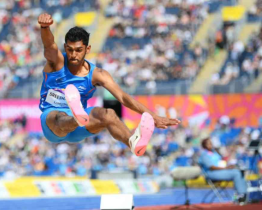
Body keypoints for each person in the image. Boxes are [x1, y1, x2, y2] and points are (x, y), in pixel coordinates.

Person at [38, 13, 180, 156]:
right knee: (59, 117)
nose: (73, 54)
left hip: (81, 126)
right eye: (70, 50)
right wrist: (45, 27)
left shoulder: (97, 74)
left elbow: (123, 97)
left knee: (109, 114)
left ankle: (133, 142)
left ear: (87, 49)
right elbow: (49, 45)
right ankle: (76, 116)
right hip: (52, 122)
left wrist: (155, 117)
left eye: (79, 50)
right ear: (65, 47)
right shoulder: (57, 63)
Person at [199, 138, 247, 204]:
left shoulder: (214, 152)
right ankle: (241, 195)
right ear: (204, 145)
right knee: (236, 173)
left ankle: (240, 194)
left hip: (221, 171)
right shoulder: (204, 154)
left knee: (240, 171)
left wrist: (229, 165)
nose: (211, 144)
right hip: (212, 173)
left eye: (211, 143)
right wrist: (226, 168)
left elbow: (221, 162)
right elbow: (211, 167)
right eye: (208, 143)